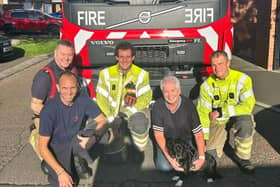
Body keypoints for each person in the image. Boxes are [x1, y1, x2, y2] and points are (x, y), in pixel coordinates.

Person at [39, 71, 108, 187]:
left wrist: (93, 138)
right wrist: (61, 173)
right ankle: (49, 164)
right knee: (68, 182)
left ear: (78, 87)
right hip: (58, 146)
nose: (69, 92)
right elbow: (42, 146)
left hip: (75, 139)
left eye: (73, 88)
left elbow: (103, 120)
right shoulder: (48, 111)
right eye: (64, 88)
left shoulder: (83, 99)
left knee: (106, 134)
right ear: (58, 88)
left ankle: (78, 157)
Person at [196, 50, 256, 174]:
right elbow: (203, 112)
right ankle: (221, 141)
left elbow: (248, 106)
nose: (217, 68)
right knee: (210, 159)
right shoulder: (206, 85)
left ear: (228, 63)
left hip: (236, 117)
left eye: (220, 63)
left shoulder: (243, 79)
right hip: (219, 122)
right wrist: (205, 139)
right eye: (214, 65)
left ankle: (243, 158)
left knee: (246, 122)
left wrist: (221, 111)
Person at [96, 41, 152, 155]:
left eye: (128, 57)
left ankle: (139, 148)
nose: (124, 60)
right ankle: (117, 140)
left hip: (131, 112)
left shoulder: (142, 74)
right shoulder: (105, 73)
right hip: (111, 113)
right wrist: (111, 117)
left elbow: (146, 97)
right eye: (121, 57)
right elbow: (101, 98)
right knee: (94, 128)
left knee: (140, 121)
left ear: (133, 57)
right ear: (116, 57)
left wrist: (127, 112)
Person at [30, 40, 76, 170]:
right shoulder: (44, 76)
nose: (66, 58)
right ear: (55, 53)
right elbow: (34, 105)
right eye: (63, 54)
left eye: (70, 55)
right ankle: (46, 158)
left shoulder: (72, 71)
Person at [151, 75, 206, 172]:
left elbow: (198, 134)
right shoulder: (157, 107)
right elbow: (159, 135)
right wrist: (171, 160)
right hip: (167, 142)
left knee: (193, 163)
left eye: (173, 90)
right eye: (166, 92)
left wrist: (201, 157)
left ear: (179, 90)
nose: (170, 95)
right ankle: (162, 154)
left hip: (185, 140)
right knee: (164, 167)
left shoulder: (189, 106)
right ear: (162, 92)